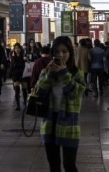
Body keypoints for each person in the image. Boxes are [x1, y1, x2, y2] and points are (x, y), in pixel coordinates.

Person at [35, 36, 86, 172]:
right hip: (49, 123)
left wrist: (63, 73)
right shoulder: (46, 72)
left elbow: (76, 93)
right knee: (54, 166)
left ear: (70, 52)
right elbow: (38, 93)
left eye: (64, 51)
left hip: (69, 124)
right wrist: (50, 75)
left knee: (69, 165)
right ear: (52, 54)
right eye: (57, 52)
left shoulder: (76, 73)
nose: (61, 55)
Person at [9, 43, 27, 111]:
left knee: (24, 89)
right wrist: (10, 74)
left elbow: (28, 64)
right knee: (17, 90)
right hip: (15, 75)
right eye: (16, 48)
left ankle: (25, 103)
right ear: (14, 49)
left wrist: (26, 60)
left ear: (21, 48)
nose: (17, 49)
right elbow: (11, 66)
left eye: (18, 48)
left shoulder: (24, 56)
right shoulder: (13, 57)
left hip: (23, 74)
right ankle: (18, 105)